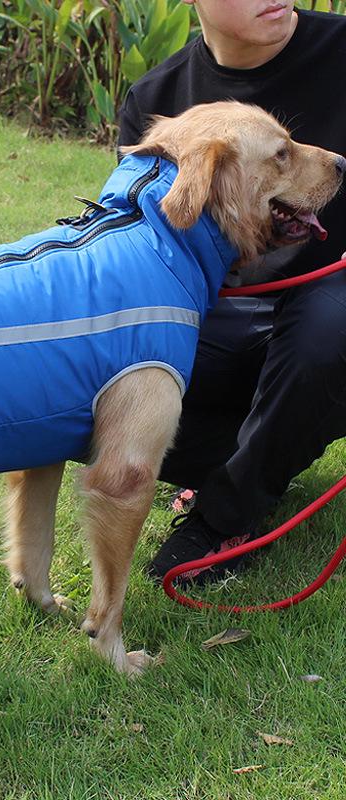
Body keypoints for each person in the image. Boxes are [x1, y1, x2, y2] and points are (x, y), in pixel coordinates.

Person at [116, 0, 346, 584]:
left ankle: (224, 520)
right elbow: (136, 247)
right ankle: (261, 452)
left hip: (328, 306)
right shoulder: (154, 100)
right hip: (215, 312)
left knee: (326, 332)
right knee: (119, 371)